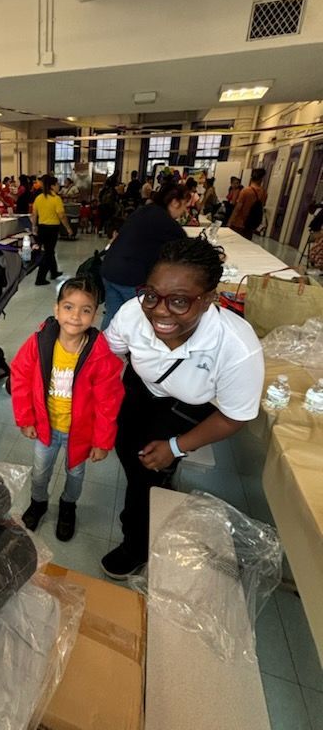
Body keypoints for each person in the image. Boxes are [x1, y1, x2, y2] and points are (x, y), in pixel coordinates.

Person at [101, 237, 264, 578]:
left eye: (179, 301)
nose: (160, 310)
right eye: (152, 294)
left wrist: (176, 446)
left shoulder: (236, 346)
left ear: (208, 300)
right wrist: (103, 400)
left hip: (187, 406)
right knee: (130, 454)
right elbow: (110, 353)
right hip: (141, 388)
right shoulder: (134, 313)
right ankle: (155, 479)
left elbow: (234, 415)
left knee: (146, 474)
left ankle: (136, 544)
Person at [10, 276, 124, 541]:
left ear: (95, 315)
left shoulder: (99, 353)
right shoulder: (39, 343)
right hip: (45, 427)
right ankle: (38, 502)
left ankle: (68, 506)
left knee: (76, 475)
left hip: (80, 433)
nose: (76, 316)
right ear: (56, 309)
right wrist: (26, 418)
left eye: (86, 310)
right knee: (40, 472)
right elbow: (20, 378)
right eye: (69, 307)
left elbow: (109, 400)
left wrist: (102, 440)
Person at [100, 181, 189, 329]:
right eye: (185, 205)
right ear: (174, 202)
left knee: (113, 315)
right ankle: (133, 349)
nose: (185, 210)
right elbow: (186, 247)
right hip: (129, 277)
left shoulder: (146, 210)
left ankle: (103, 349)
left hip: (109, 269)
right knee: (138, 319)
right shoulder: (164, 220)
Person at [31, 175, 73, 286]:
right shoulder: (56, 199)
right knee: (48, 253)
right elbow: (62, 215)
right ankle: (40, 279)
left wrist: (34, 226)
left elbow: (34, 214)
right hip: (52, 229)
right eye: (57, 184)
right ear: (52, 186)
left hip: (41, 228)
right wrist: (68, 228)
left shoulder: (39, 198)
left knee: (49, 251)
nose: (59, 186)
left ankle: (54, 272)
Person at [229, 168, 267, 240]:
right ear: (261, 179)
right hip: (251, 224)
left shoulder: (246, 191)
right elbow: (262, 205)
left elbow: (238, 208)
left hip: (239, 223)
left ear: (251, 178)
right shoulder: (264, 192)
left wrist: (230, 222)